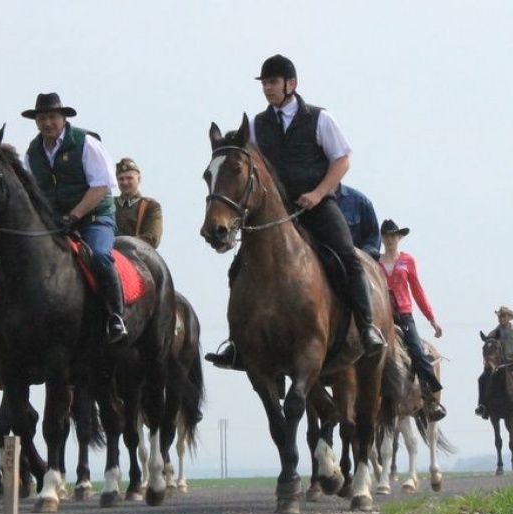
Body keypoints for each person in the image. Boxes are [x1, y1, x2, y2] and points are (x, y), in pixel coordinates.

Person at [206, 54, 385, 368]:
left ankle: (367, 325)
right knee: (239, 268)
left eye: (273, 82)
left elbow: (342, 160)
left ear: (291, 84)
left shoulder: (319, 118)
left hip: (315, 204)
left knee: (347, 255)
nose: (268, 89)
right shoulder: (257, 124)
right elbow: (247, 167)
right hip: (276, 211)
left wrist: (318, 193)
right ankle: (238, 344)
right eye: (264, 83)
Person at [20, 92, 126, 343]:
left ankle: (115, 315)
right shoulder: (32, 153)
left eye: (52, 117)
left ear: (63, 118)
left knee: (99, 256)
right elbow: (30, 194)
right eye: (42, 118)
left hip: (94, 219)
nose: (47, 123)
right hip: (54, 224)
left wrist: (74, 215)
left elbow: (101, 187)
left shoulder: (86, 142)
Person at [378, 219, 446, 421]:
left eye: (393, 236)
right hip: (381, 314)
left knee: (417, 351)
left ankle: (430, 398)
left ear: (399, 238)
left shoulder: (407, 260)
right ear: (381, 238)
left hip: (403, 314)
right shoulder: (375, 260)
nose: (389, 240)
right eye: (386, 236)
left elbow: (417, 291)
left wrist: (432, 319)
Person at [476, 306, 513, 419]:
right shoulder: (493, 333)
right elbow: (489, 348)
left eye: (503, 316)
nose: (500, 318)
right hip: (497, 366)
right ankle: (483, 406)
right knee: (482, 379)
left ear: (509, 317)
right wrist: (490, 361)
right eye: (499, 316)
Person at [114, 157, 163, 249]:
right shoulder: (110, 205)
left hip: (138, 255)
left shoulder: (151, 206)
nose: (125, 182)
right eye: (121, 179)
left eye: (129, 178)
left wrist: (122, 243)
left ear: (139, 179)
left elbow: (152, 239)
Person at [334, 183, 380, 260]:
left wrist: (361, 256)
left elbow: (373, 238)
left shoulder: (360, 201)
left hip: (352, 263)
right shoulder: (309, 201)